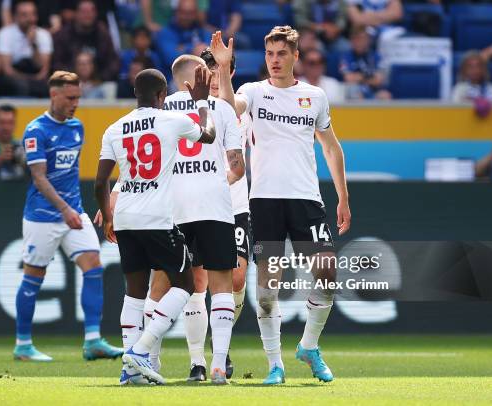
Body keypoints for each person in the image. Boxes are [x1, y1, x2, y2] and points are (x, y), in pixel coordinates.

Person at [211, 27, 351, 384]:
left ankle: (308, 345)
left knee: (327, 271)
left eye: (281, 54)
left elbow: (332, 148)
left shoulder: (315, 96)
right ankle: (275, 364)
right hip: (265, 201)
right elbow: (228, 108)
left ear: (295, 56)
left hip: (307, 200)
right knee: (268, 289)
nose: (274, 60)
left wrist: (343, 198)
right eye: (270, 54)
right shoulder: (253, 92)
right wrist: (224, 71)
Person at [94, 66, 216, 385]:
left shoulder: (114, 129)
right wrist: (201, 101)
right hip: (157, 220)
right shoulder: (171, 120)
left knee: (134, 294)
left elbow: (99, 182)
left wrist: (107, 216)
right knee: (186, 285)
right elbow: (209, 133)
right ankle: (140, 350)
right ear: (163, 95)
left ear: (136, 93)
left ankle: (129, 372)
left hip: (125, 221)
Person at [138, 54, 244, 384]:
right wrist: (212, 180)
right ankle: (217, 365)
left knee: (163, 285)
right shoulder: (222, 109)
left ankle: (150, 360)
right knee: (221, 285)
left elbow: (144, 164)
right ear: (199, 75)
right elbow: (238, 167)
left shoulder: (158, 112)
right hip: (214, 207)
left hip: (171, 210)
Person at [14, 71, 123, 362]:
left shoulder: (77, 127)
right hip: (42, 217)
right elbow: (39, 178)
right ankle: (23, 344)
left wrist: (72, 210)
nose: (75, 103)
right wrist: (63, 210)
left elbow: (70, 174)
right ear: (54, 95)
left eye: (78, 97)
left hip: (74, 213)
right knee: (33, 276)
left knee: (94, 266)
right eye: (70, 97)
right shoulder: (36, 130)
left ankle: (92, 341)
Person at [200, 47, 249, 379]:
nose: (215, 76)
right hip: (200, 203)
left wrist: (225, 64)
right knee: (200, 282)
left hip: (235, 203)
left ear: (230, 72)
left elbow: (230, 108)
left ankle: (222, 341)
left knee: (236, 278)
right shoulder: (193, 107)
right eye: (210, 70)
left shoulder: (243, 98)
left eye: (220, 70)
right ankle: (211, 354)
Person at [51, 0, 119, 85]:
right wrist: (74, 78)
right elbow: (57, 64)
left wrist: (99, 79)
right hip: (69, 84)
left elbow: (113, 62)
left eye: (91, 11)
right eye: (84, 11)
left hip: (99, 84)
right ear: (76, 13)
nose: (88, 15)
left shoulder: (103, 33)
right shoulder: (64, 35)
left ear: (96, 13)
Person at [0, 1, 52, 97]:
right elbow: (7, 69)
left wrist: (33, 44)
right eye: (25, 15)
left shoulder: (44, 35)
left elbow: (43, 70)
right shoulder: (5, 33)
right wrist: (27, 80)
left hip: (35, 75)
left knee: (48, 87)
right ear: (15, 17)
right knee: (20, 86)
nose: (30, 18)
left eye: (33, 14)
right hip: (13, 76)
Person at [155, 0, 211, 73]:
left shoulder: (203, 32)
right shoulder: (164, 33)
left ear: (196, 13)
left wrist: (184, 48)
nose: (187, 17)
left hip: (200, 77)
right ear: (176, 12)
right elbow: (171, 59)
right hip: (173, 79)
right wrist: (193, 50)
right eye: (183, 12)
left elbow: (209, 54)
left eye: (191, 13)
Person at [340, 27, 391, 100]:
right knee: (354, 92)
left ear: (368, 40)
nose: (359, 42)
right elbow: (348, 78)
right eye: (356, 39)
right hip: (356, 91)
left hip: (374, 91)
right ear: (352, 41)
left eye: (362, 39)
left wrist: (359, 77)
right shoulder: (346, 56)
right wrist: (370, 78)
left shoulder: (376, 56)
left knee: (385, 95)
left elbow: (379, 80)